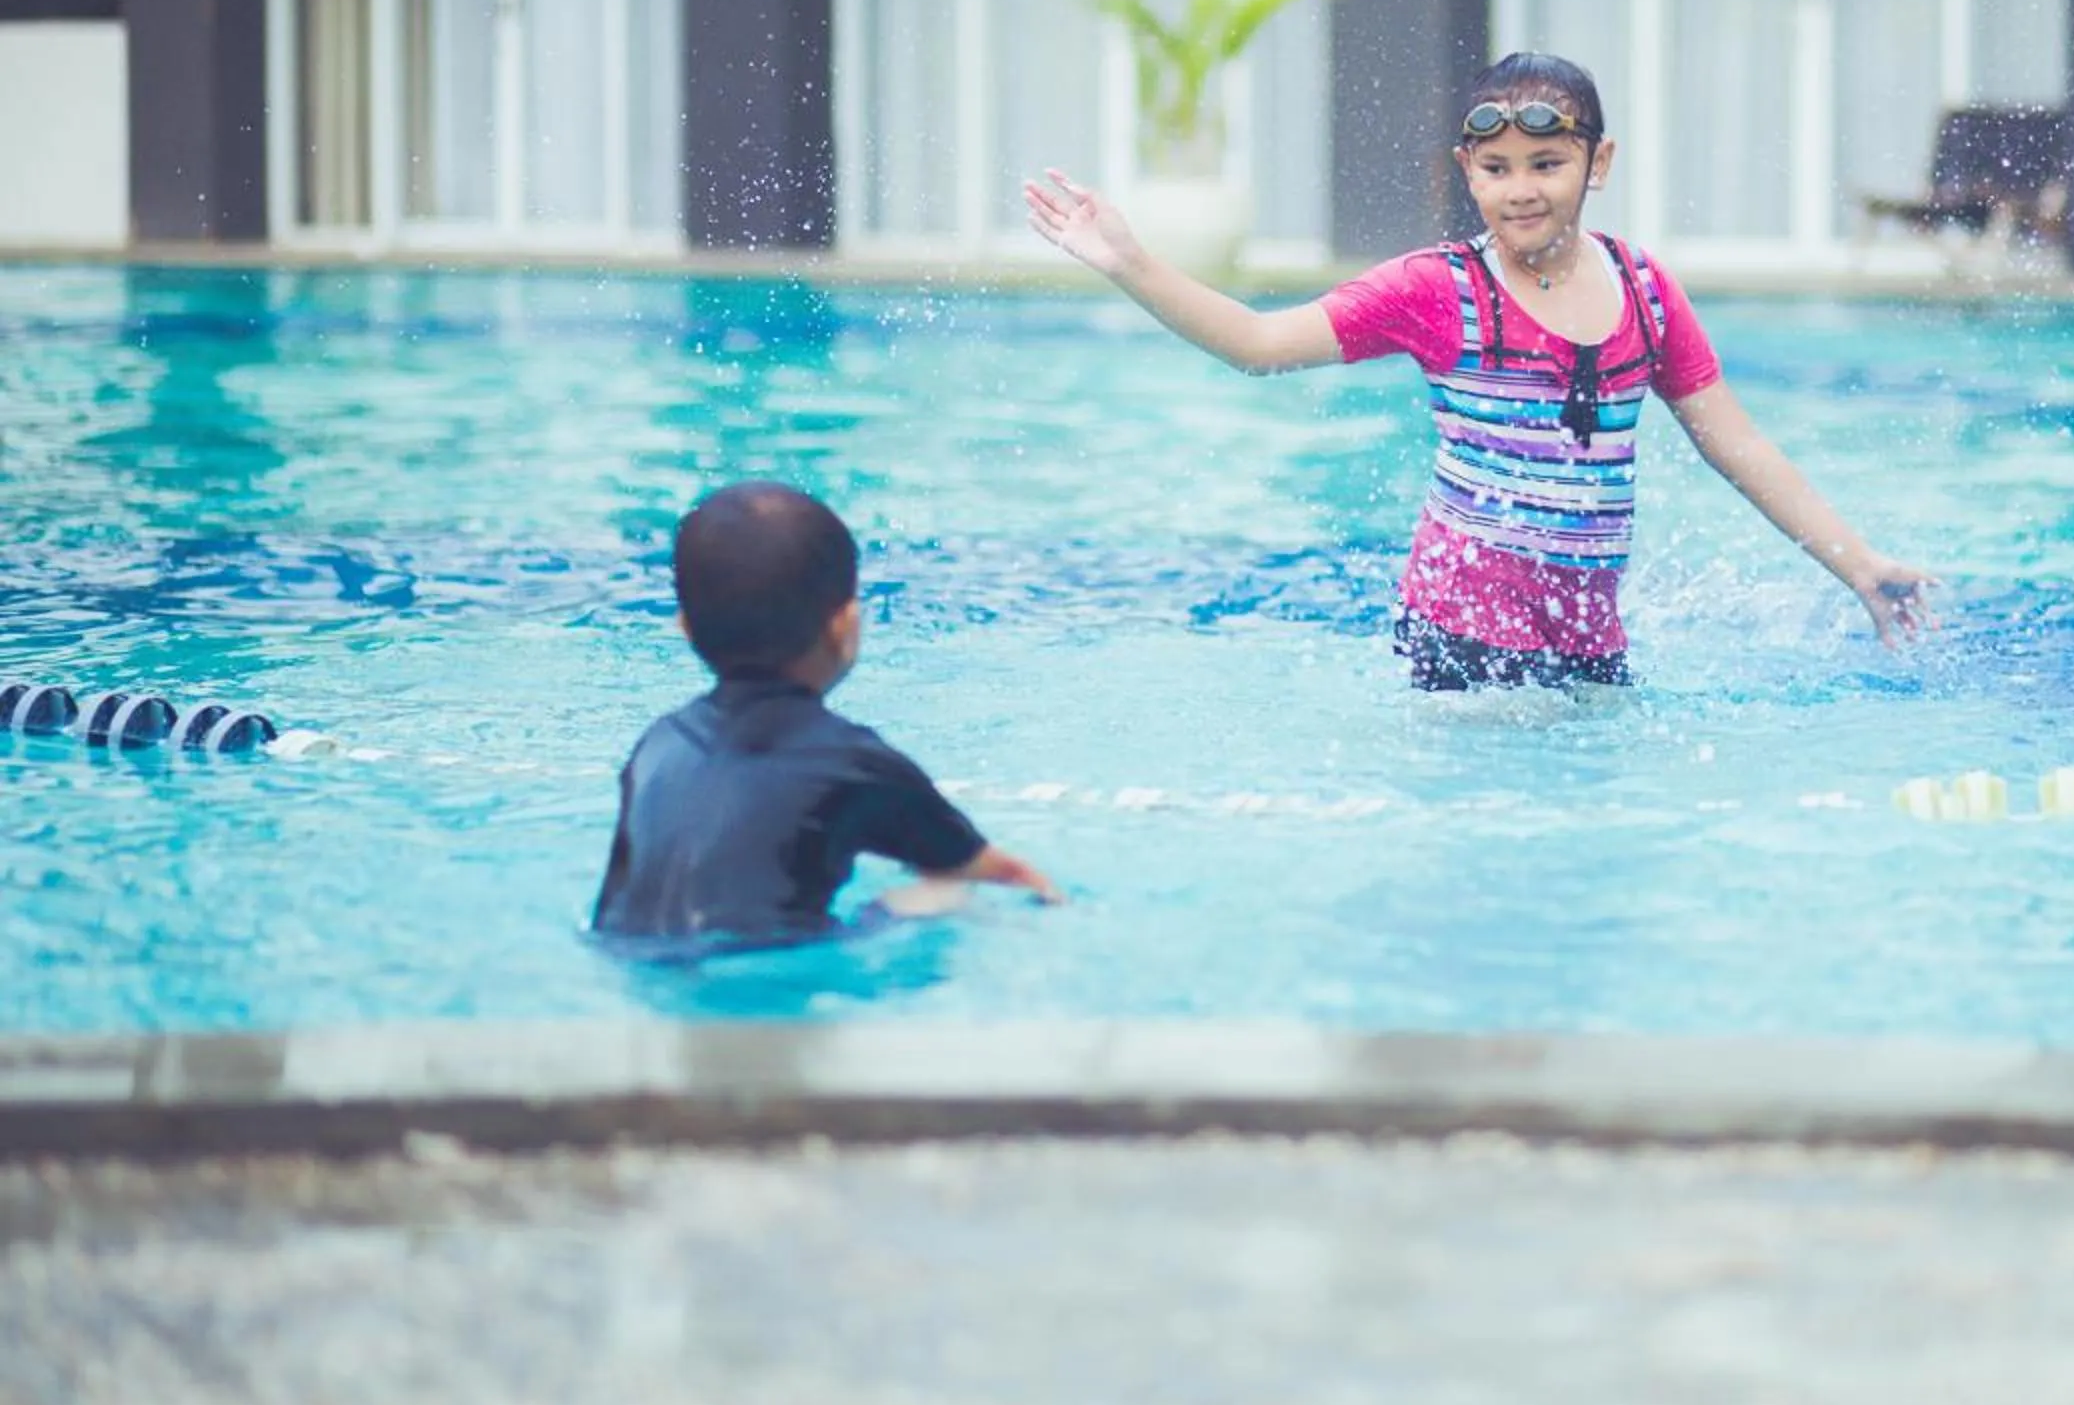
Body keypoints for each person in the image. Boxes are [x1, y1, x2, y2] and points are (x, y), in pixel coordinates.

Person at [1023, 50, 1934, 690]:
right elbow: (1259, 346)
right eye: (1496, 168)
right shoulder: (1437, 291)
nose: (1521, 187)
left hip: (1587, 639)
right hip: (1460, 634)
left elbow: (1740, 447)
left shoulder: (1647, 293)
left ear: (1597, 162)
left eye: (1547, 162)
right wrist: (1129, 264)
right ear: (1469, 171)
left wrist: (1857, 566)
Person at [591, 482, 1058, 945]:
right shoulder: (853, 761)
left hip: (633, 970)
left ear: (686, 629)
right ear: (845, 625)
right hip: (770, 985)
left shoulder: (657, 745)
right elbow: (1008, 876)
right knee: (945, 892)